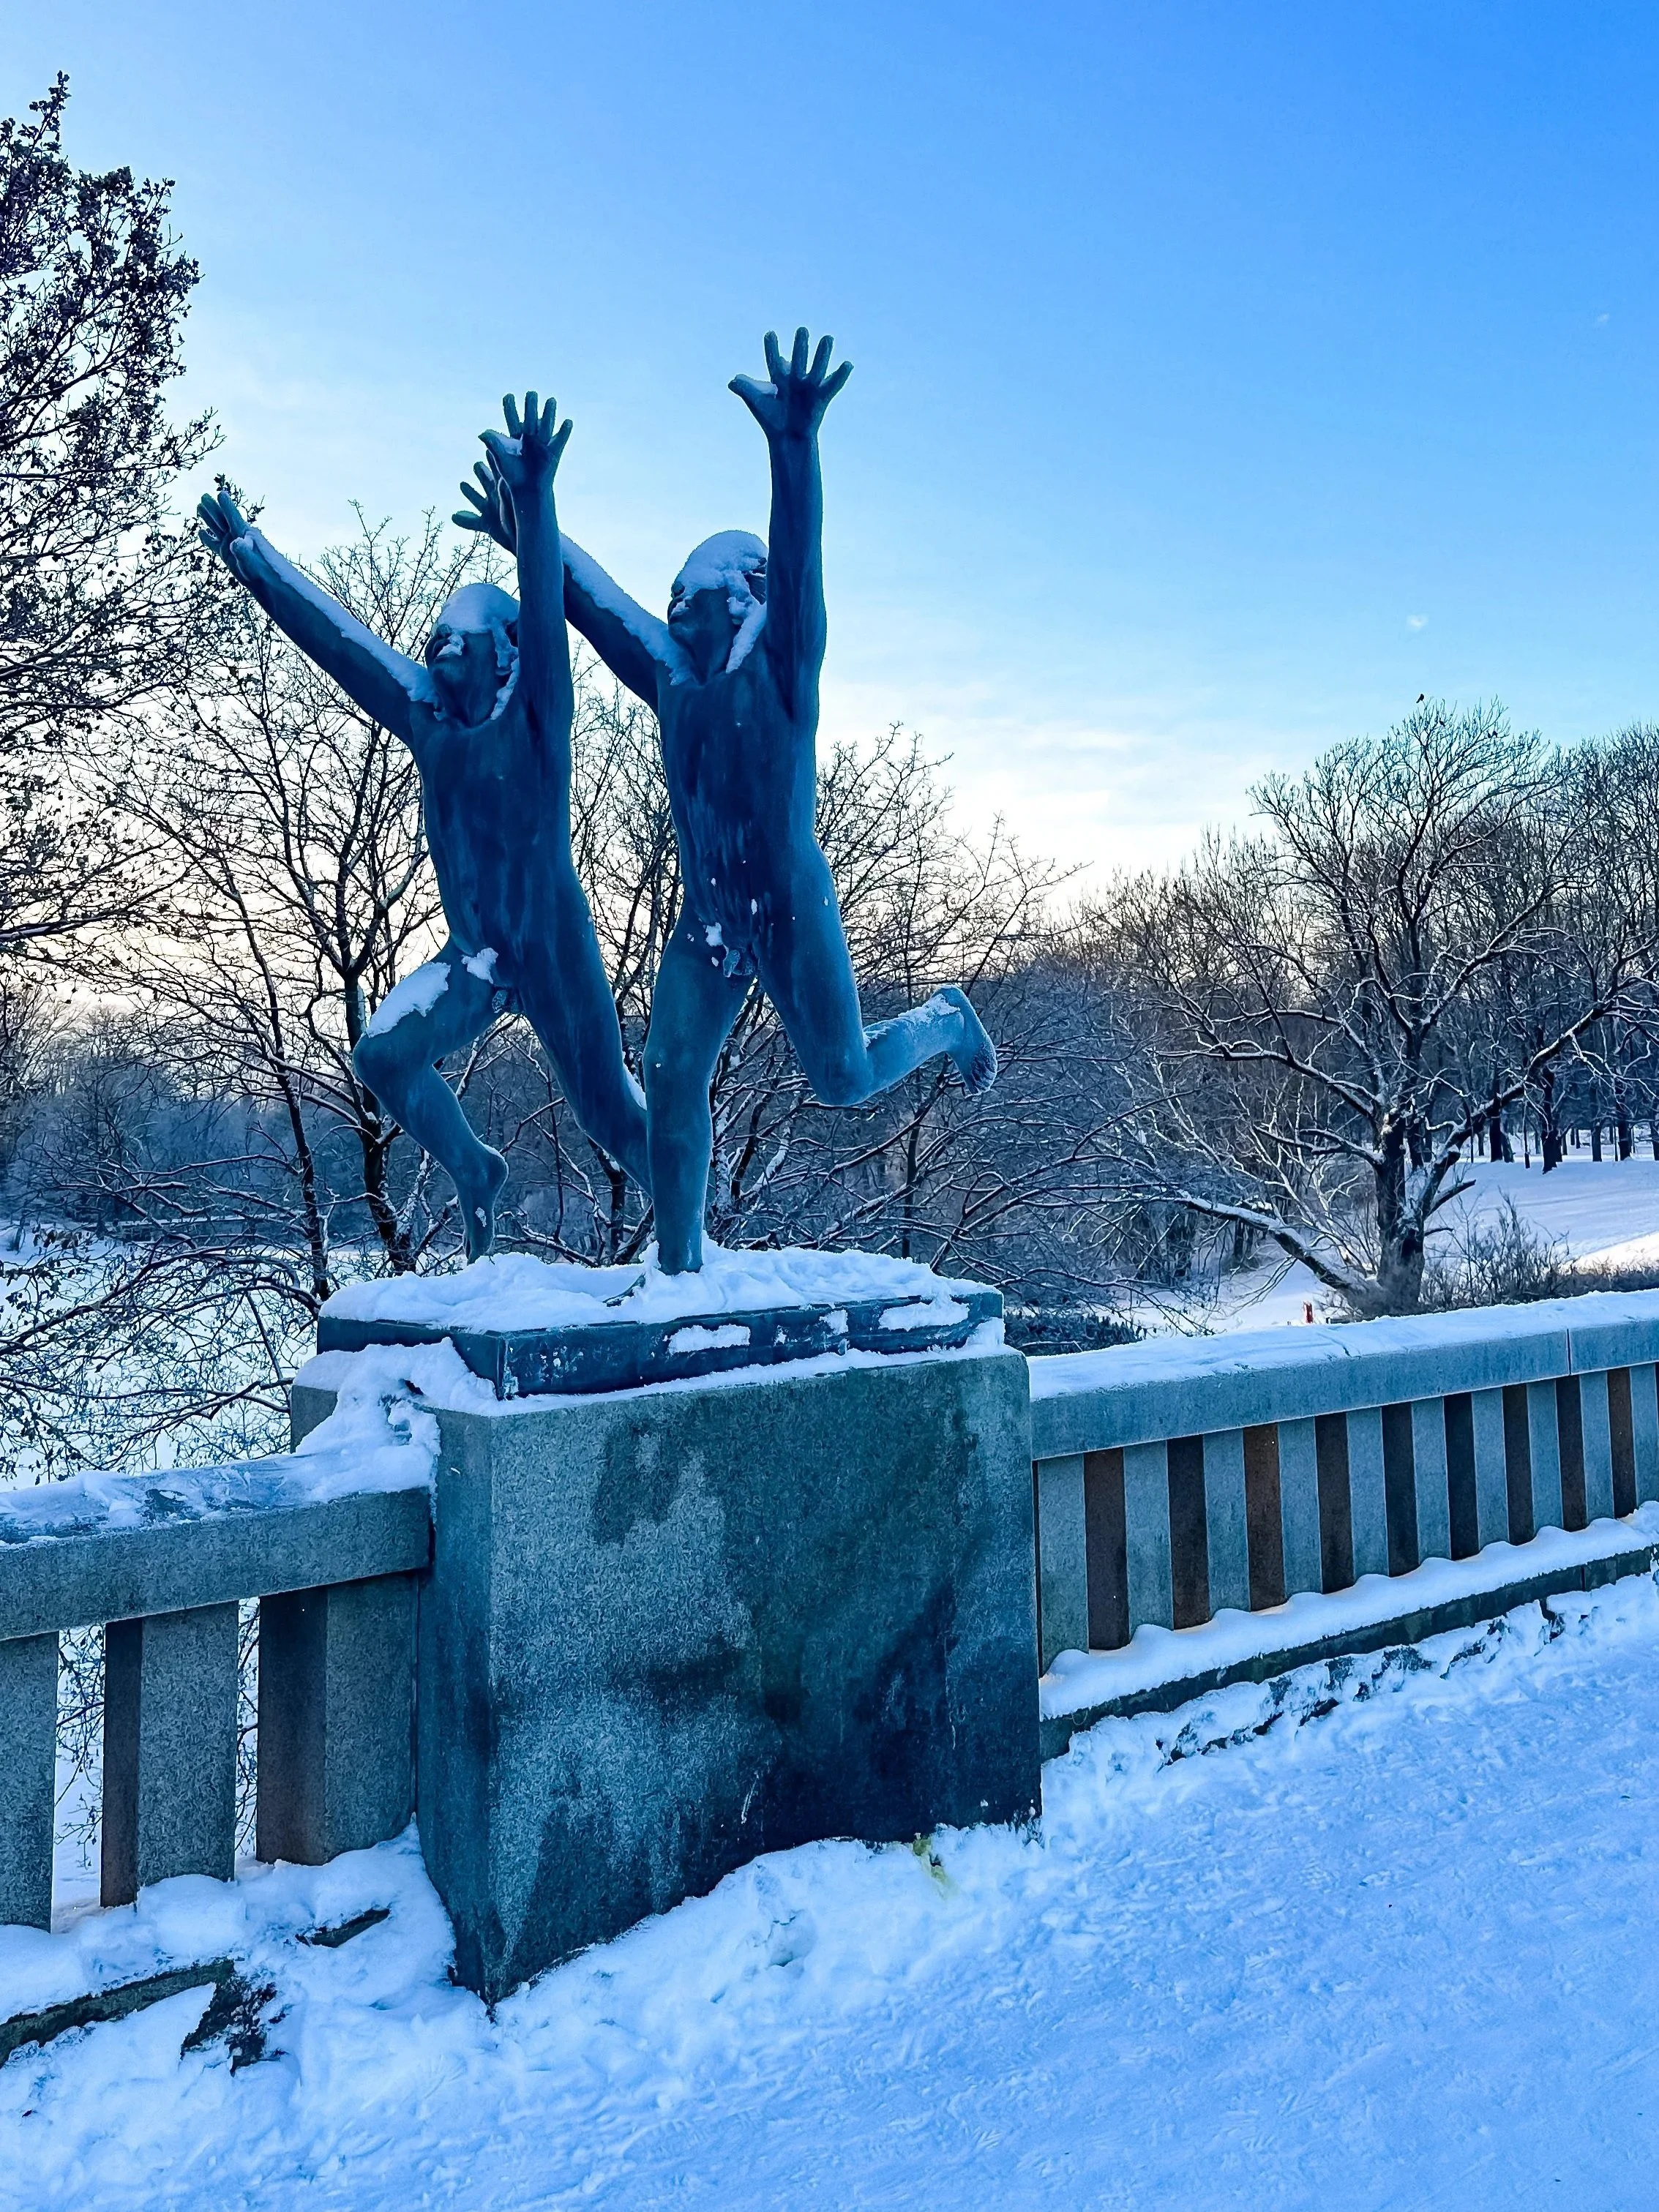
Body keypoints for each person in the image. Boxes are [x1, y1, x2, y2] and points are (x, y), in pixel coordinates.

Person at [458, 330, 997, 1273]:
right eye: (673, 593)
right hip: (706, 925)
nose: (673, 605)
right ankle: (679, 1273)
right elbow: (599, 606)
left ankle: (944, 1017)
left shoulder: (781, 667)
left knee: (840, 1076)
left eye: (693, 592)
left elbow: (799, 562)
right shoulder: (675, 682)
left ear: (743, 598)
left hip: (789, 909)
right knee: (669, 1077)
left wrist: (793, 449)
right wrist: (529, 528)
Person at [199, 392, 649, 1259]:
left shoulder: (534, 719)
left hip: (552, 948)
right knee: (383, 1056)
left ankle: (689, 1256)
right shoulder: (429, 722)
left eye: (458, 642)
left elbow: (547, 608)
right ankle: (476, 1169)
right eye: (433, 639)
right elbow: (340, 643)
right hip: (475, 955)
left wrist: (536, 499)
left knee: (614, 1119)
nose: (437, 650)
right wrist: (255, 559)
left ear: (504, 655)